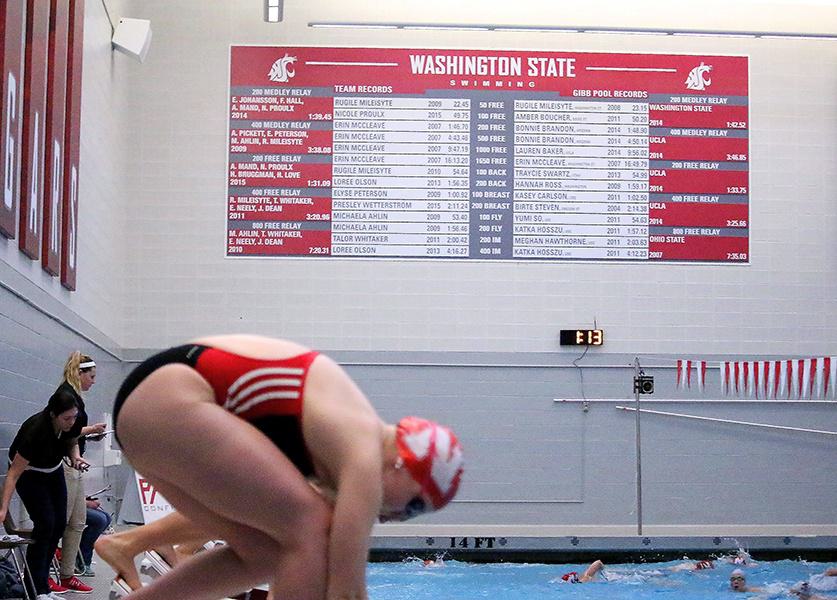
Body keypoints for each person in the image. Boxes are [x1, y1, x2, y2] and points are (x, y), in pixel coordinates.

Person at [110, 334, 464, 600]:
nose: (402, 518)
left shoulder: (342, 445)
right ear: (405, 464)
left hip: (151, 410)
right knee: (310, 525)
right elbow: (346, 590)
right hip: (169, 396)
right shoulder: (364, 449)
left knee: (266, 555)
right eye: (416, 505)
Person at [0, 393, 87, 600]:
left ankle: (44, 586)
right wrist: (3, 509)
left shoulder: (72, 421)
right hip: (29, 474)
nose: (72, 422)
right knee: (45, 524)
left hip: (53, 470)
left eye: (74, 417)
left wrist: (75, 457)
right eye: (67, 418)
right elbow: (13, 474)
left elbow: (72, 440)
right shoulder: (36, 431)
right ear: (53, 415)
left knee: (59, 524)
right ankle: (34, 588)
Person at [54, 352, 107, 593]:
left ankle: (67, 575)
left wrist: (88, 436)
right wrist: (91, 429)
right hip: (64, 464)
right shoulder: (65, 396)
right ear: (80, 373)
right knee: (60, 522)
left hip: (74, 462)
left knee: (78, 522)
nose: (94, 381)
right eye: (92, 376)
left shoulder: (76, 397)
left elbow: (73, 433)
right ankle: (45, 573)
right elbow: (66, 431)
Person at [75, 495, 113, 577]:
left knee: (107, 518)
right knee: (100, 520)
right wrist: (84, 503)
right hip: (62, 504)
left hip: (73, 501)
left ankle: (80, 557)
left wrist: (85, 498)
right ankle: (82, 560)